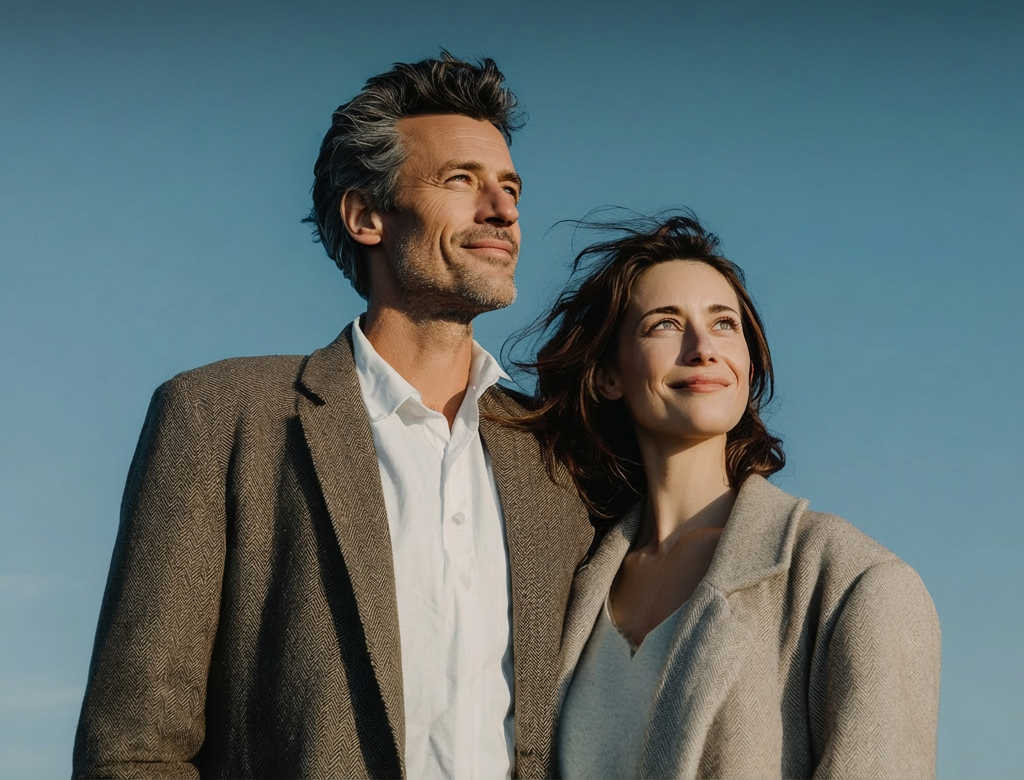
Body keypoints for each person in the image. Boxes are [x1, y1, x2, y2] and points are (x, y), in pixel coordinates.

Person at [72, 52, 594, 780]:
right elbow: (133, 749)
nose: (503, 211)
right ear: (365, 215)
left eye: (509, 187)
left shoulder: (558, 458)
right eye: (461, 181)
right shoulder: (220, 418)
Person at [510, 215, 940, 780]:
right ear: (608, 375)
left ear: (749, 361)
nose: (703, 348)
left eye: (724, 324)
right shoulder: (572, 587)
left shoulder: (854, 583)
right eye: (665, 324)